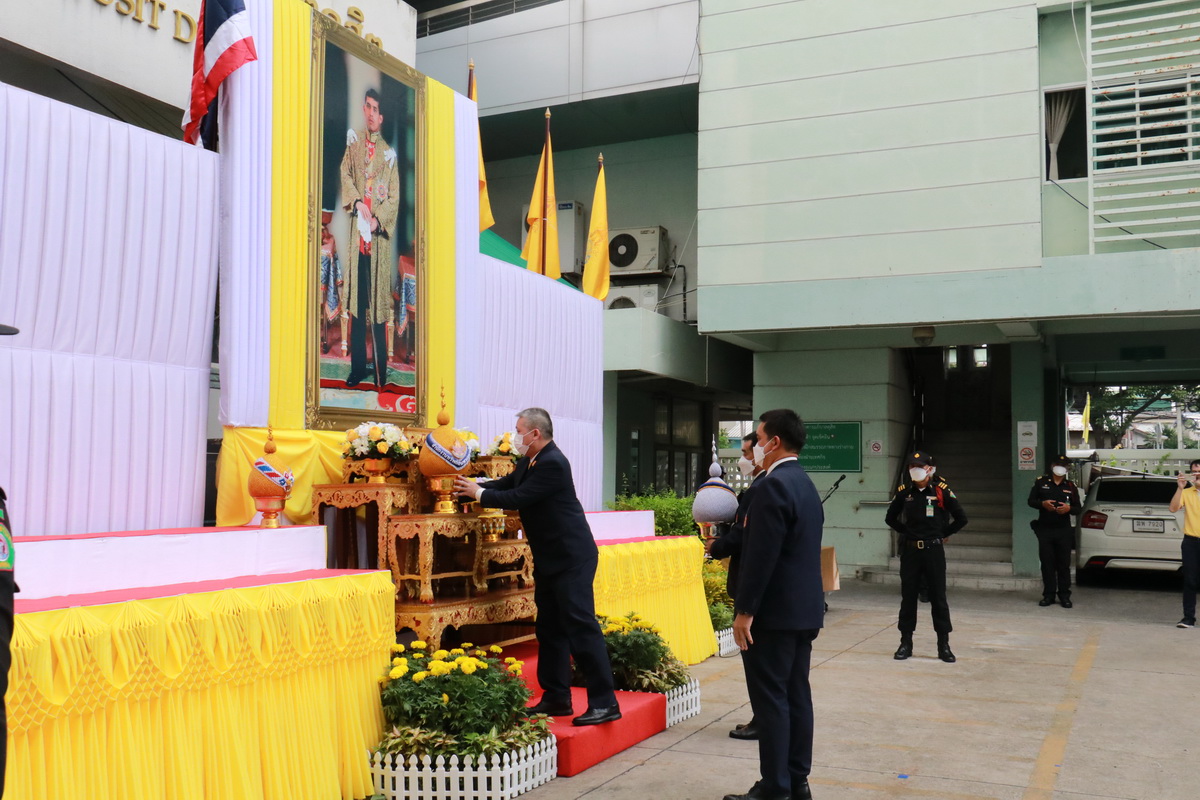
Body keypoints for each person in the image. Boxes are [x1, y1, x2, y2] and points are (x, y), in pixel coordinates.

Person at [452, 408, 620, 726]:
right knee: (549, 628)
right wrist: (472, 488)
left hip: (572, 557)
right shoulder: (529, 461)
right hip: (550, 558)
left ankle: (605, 702)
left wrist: (480, 494)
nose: (516, 436)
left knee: (581, 627)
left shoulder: (553, 462)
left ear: (535, 434)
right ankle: (557, 697)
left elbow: (518, 497)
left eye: (519, 431)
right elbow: (507, 484)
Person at [724, 409, 824, 800]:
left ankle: (775, 786)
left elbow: (761, 556)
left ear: (775, 442)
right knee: (796, 696)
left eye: (759, 439)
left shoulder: (772, 486)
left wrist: (745, 611)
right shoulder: (804, 483)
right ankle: (797, 780)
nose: (755, 447)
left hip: (773, 615)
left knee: (771, 701)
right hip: (802, 612)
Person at [339, 87, 400, 389]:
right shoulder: (354, 145)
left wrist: (377, 220)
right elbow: (346, 175)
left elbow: (394, 197)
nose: (371, 113)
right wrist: (356, 202)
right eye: (368, 107)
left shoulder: (389, 156)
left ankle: (379, 370)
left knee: (377, 308)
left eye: (376, 109)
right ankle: (357, 368)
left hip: (377, 243)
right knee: (357, 305)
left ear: (382, 116)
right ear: (363, 109)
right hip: (357, 241)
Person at [885, 451, 967, 663]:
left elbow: (961, 518)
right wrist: (907, 532)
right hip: (911, 551)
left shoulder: (941, 490)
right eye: (912, 466)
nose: (915, 470)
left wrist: (943, 533)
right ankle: (905, 643)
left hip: (933, 551)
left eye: (919, 466)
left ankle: (943, 645)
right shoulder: (904, 491)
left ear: (929, 469)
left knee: (938, 597)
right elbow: (890, 518)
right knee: (908, 597)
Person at [707, 432, 762, 741]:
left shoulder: (761, 490)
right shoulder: (760, 487)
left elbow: (744, 538)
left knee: (757, 664)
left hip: (756, 598)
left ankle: (762, 720)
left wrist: (716, 546)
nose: (743, 459)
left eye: (746, 452)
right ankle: (762, 717)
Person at [1027, 455, 1081, 608]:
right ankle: (1048, 595)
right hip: (1045, 529)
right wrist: (1043, 504)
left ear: (1067, 468)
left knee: (1063, 564)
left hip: (1063, 530)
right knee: (1047, 563)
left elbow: (1078, 508)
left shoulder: (1070, 486)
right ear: (1052, 466)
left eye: (1064, 465)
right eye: (1058, 464)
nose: (1060, 467)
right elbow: (1031, 501)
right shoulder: (1041, 482)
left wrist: (1069, 509)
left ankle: (1064, 595)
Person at [1168, 459, 1200, 628]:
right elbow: (1173, 508)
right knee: (1190, 580)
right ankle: (1188, 618)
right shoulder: (1187, 493)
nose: (1197, 475)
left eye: (1199, 471)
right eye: (1194, 472)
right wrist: (1180, 488)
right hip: (1191, 542)